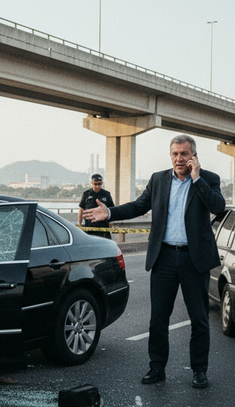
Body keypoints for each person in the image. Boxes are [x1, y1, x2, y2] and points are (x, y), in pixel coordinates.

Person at [83, 134, 225, 388]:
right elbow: (139, 206)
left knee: (199, 319)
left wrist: (197, 177)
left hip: (195, 259)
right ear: (170, 155)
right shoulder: (159, 180)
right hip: (165, 257)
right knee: (158, 318)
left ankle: (199, 370)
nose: (179, 158)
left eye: (184, 154)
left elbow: (217, 207)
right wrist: (111, 212)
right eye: (175, 154)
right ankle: (157, 368)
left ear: (194, 155)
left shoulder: (208, 179)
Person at [78, 174, 115, 239]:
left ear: (102, 183)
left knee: (105, 246)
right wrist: (80, 224)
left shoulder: (106, 194)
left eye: (99, 184)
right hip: (90, 227)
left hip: (103, 227)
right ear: (92, 183)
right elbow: (81, 209)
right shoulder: (86, 194)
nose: (97, 186)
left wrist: (111, 222)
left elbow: (111, 209)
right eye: (95, 184)